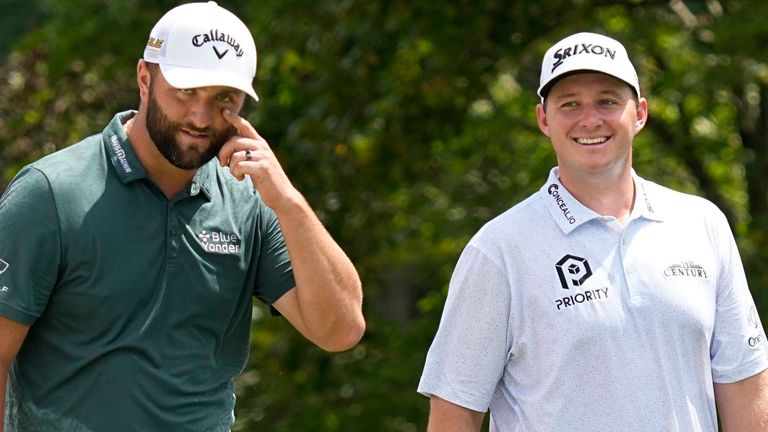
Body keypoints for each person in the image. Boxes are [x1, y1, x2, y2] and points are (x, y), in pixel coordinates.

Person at [0, 2, 365, 431]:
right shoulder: (51, 193)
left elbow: (340, 330)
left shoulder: (251, 201)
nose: (201, 117)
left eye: (223, 98)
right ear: (144, 79)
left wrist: (288, 202)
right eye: (186, 92)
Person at [418, 31, 768, 431]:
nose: (590, 119)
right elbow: (455, 413)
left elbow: (744, 386)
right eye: (570, 104)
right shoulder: (499, 250)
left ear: (639, 114)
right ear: (543, 119)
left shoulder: (701, 224)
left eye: (607, 101)